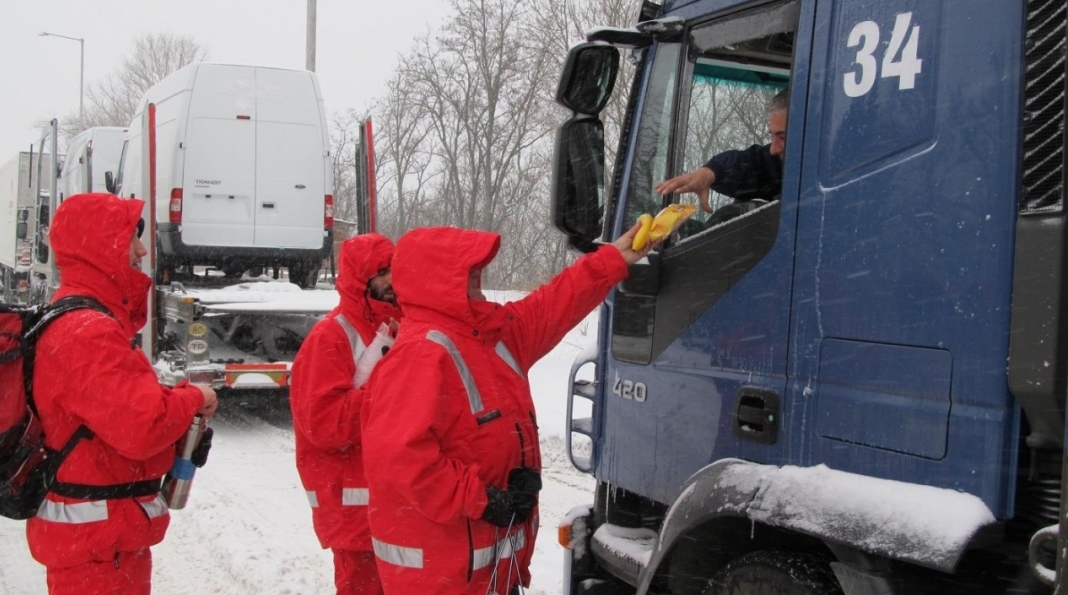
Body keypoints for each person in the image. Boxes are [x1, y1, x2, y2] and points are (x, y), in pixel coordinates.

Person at [360, 222, 659, 595]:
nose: (477, 279)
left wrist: (613, 258)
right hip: (440, 578)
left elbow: (554, 302)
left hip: (489, 571)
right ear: (435, 280)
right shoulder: (420, 356)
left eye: (477, 270)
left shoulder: (493, 336)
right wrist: (484, 499)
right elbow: (400, 460)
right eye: (467, 271)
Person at [26, 193, 218, 595]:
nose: (142, 249)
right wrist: (195, 399)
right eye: (131, 237)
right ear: (100, 245)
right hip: (98, 547)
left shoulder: (82, 321)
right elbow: (142, 424)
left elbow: (118, 407)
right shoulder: (87, 331)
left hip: (105, 538)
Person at [290, 233, 401, 595]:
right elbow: (324, 424)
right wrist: (392, 397)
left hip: (397, 508)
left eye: (393, 269)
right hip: (355, 513)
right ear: (359, 279)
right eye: (381, 272)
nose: (391, 280)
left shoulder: (402, 327)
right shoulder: (331, 337)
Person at [655, 88, 789, 213]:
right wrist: (711, 172)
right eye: (771, 136)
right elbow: (753, 164)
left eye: (782, 137)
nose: (773, 149)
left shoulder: (802, 198)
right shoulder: (776, 167)